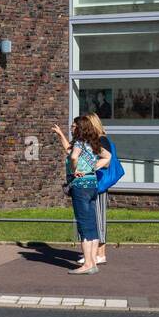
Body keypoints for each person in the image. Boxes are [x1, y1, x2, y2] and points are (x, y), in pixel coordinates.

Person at [51, 117, 112, 275]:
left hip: (80, 187)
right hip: (92, 185)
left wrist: (74, 169)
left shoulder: (79, 143)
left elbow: (72, 156)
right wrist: (92, 168)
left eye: (74, 126)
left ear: (80, 128)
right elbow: (107, 157)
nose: (72, 128)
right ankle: (92, 262)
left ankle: (87, 265)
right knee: (91, 224)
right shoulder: (93, 143)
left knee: (84, 225)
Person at [84, 113, 112, 264]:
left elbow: (106, 160)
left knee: (99, 218)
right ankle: (96, 254)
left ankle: (100, 254)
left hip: (100, 184)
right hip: (96, 183)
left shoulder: (101, 140)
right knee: (95, 217)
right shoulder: (97, 140)